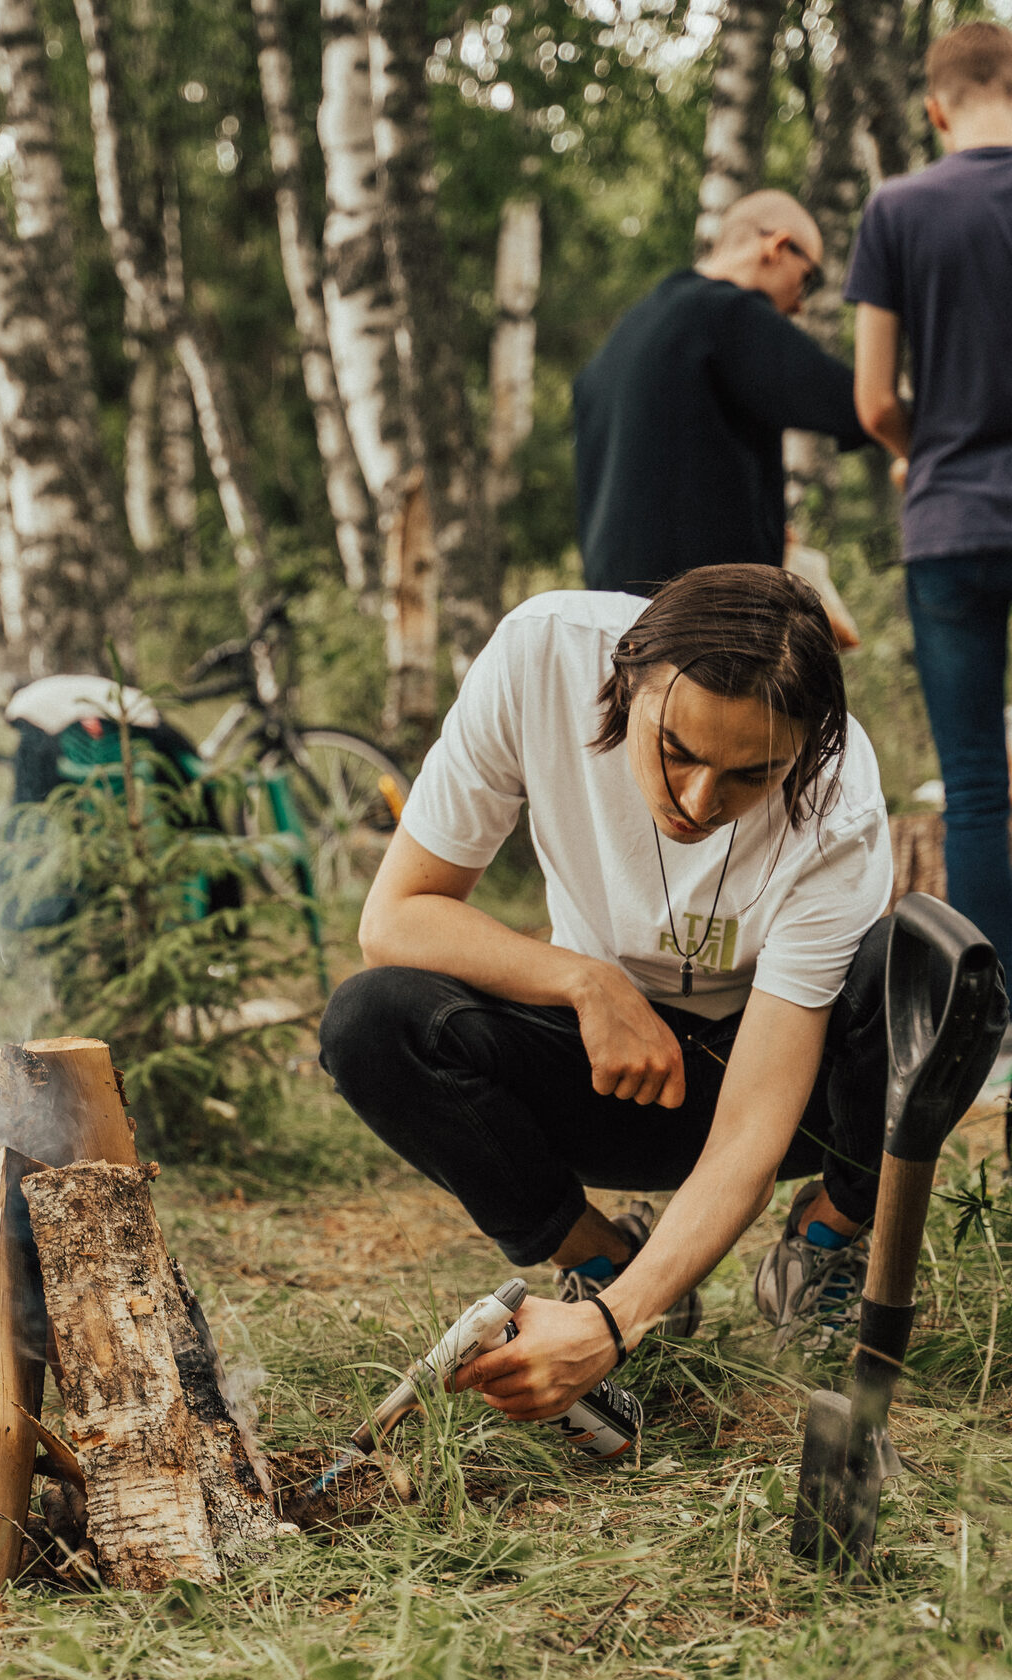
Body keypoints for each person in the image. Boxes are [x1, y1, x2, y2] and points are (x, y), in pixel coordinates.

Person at [319, 568, 1005, 1426]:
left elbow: (754, 1128)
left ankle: (825, 1237)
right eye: (675, 750)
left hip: (784, 1087)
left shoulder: (838, 802)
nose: (697, 802)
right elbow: (395, 918)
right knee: (370, 1021)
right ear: (624, 675)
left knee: (940, 970)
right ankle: (602, 1258)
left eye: (750, 776)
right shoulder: (540, 658)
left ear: (805, 750)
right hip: (614, 1074)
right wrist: (585, 979)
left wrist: (608, 1333)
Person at [845, 20, 1012, 966]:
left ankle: (993, 1033)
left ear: (935, 107)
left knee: (976, 789)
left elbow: (872, 399)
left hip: (950, 524)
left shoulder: (898, 209)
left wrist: (925, 447)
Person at [574, 191, 869, 597]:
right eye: (809, 279)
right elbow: (855, 403)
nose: (800, 305)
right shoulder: (727, 313)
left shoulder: (623, 338)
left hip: (616, 615)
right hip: (703, 617)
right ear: (777, 247)